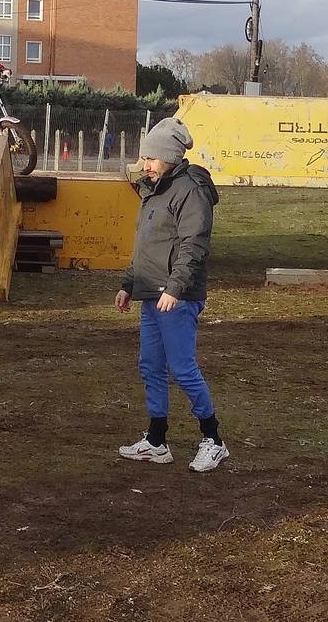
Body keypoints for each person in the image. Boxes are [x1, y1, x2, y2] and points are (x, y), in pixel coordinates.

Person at [115, 117, 228, 472]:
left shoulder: (190, 192)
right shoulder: (156, 189)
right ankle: (157, 440)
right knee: (151, 367)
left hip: (176, 297)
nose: (145, 165)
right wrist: (128, 284)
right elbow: (145, 245)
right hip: (152, 293)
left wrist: (176, 289)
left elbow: (194, 245)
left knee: (182, 368)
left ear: (171, 157)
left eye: (151, 158)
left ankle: (213, 439)